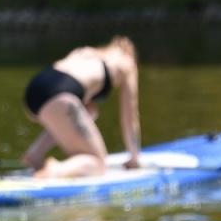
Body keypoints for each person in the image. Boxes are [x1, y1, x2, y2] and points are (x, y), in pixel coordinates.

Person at [19, 37, 143, 178]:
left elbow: (83, 106)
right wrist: (134, 157)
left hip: (35, 91)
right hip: (59, 95)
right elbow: (129, 116)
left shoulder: (85, 52)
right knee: (98, 164)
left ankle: (34, 155)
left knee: (84, 112)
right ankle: (55, 169)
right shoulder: (127, 62)